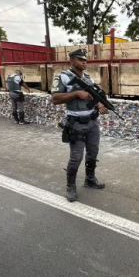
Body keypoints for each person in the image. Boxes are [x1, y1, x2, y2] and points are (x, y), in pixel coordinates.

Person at [51, 48, 109, 202]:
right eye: (80, 59)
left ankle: (90, 179)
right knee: (76, 157)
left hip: (92, 122)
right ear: (71, 61)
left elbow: (93, 96)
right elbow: (55, 99)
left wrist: (99, 105)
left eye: (85, 59)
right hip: (76, 124)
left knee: (93, 152)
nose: (84, 62)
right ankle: (70, 186)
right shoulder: (62, 77)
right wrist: (76, 94)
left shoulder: (88, 78)